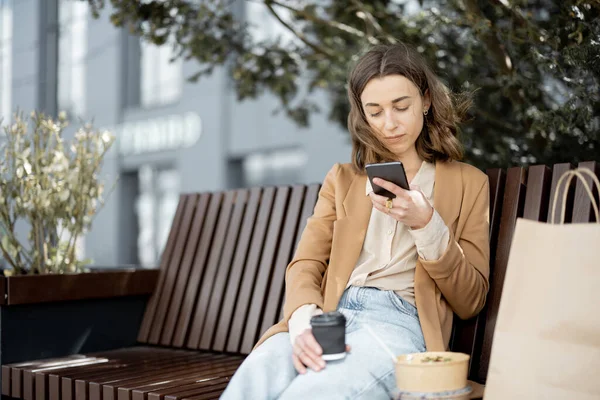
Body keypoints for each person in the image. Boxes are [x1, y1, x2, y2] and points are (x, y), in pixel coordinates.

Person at [221, 42, 490, 400]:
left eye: (401, 106)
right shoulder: (344, 179)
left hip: (397, 323)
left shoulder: (468, 182)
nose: (389, 124)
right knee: (251, 383)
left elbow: (471, 299)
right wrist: (304, 323)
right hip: (328, 317)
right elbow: (306, 263)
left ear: (425, 100)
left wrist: (426, 224)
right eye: (374, 112)